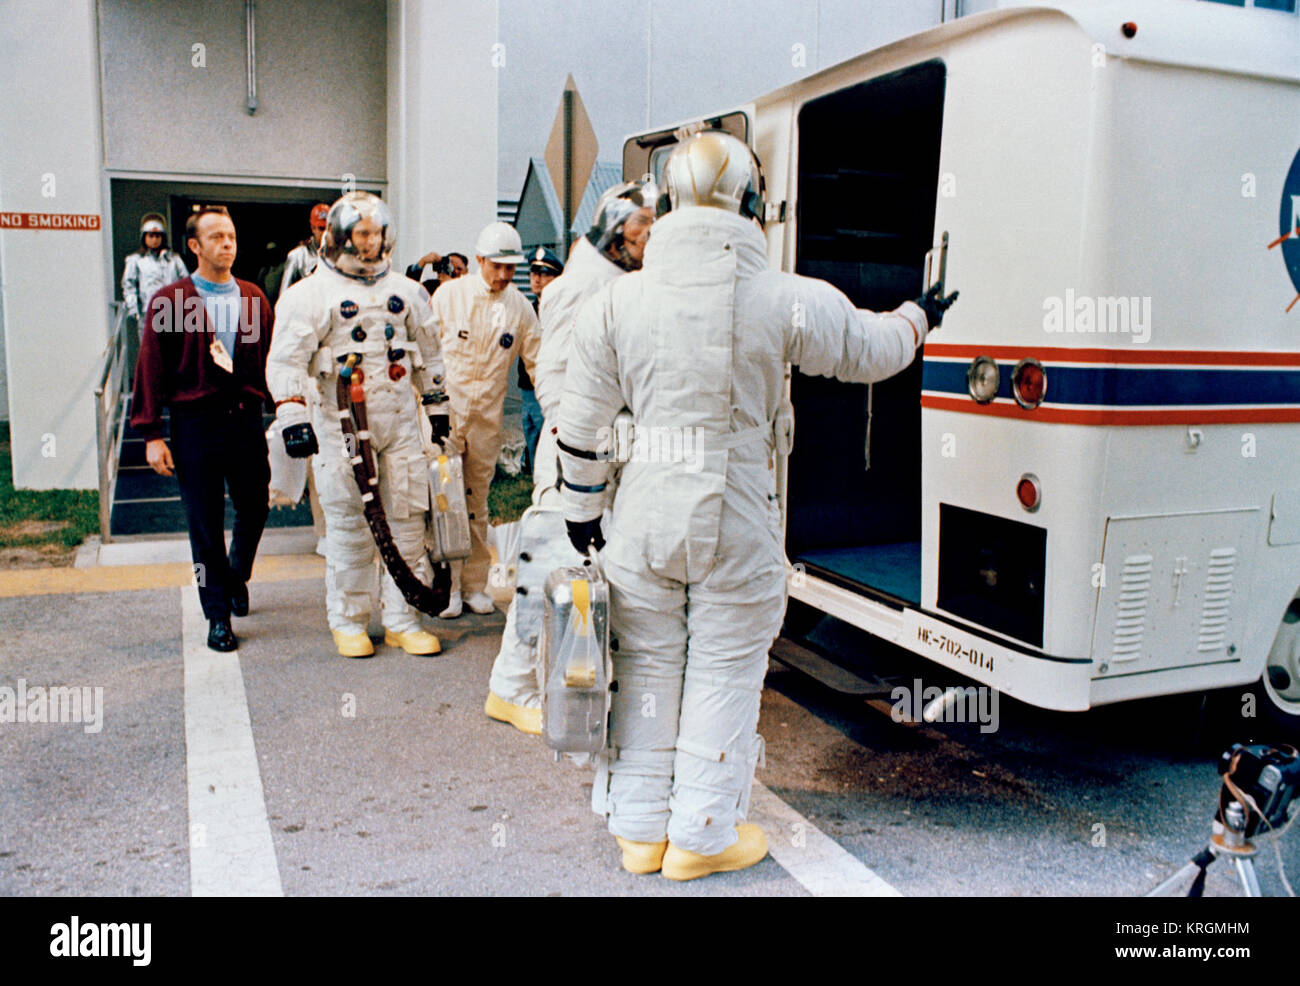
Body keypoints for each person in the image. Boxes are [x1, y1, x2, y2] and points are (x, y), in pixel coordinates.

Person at [555, 131, 958, 879]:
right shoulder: (782, 296)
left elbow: (577, 427)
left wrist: (582, 512)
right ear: (751, 203)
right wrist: (920, 315)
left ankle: (640, 834)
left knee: (643, 667)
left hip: (644, 509)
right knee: (724, 671)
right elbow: (870, 350)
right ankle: (702, 838)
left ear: (668, 201)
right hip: (738, 510)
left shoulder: (619, 302)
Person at [483, 182, 656, 735]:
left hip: (600, 454)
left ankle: (562, 679)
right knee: (546, 568)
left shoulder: (619, 284)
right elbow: (557, 380)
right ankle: (510, 687)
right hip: (574, 454)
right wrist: (583, 444)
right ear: (616, 229)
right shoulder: (581, 288)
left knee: (585, 572)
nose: (651, 238)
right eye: (643, 227)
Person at [266, 192, 449, 659]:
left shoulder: (408, 293)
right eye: (362, 233)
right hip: (339, 426)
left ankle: (403, 617)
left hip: (399, 425)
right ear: (340, 236)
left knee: (407, 522)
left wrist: (438, 407)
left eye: (377, 233)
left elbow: (430, 355)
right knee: (349, 527)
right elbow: (286, 359)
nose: (371, 242)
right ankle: (348, 619)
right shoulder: (311, 294)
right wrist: (292, 414)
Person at [130, 206, 275, 652]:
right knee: (204, 523)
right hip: (196, 423)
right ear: (194, 246)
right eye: (215, 237)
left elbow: (274, 360)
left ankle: (235, 574)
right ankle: (217, 613)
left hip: (245, 419)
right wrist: (151, 433)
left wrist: (290, 410)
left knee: (256, 505)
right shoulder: (173, 301)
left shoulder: (253, 298)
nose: (226, 244)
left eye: (230, 236)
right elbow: (150, 369)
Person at [429, 222, 540, 619]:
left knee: (476, 504)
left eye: (511, 268)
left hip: (485, 422)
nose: (504, 276)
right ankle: (445, 585)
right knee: (443, 502)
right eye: (496, 266)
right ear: (478, 261)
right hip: (445, 418)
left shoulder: (520, 309)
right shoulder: (449, 296)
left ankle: (474, 584)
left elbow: (539, 362)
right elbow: (424, 354)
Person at [121, 212, 188, 369]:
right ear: (144, 237)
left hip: (172, 312)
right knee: (150, 352)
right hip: (148, 312)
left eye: (158, 235)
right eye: (150, 235)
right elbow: (128, 285)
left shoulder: (174, 259)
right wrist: (134, 309)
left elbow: (186, 283)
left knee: (173, 352)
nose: (154, 239)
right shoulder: (136, 261)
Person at [519, 246, 564, 474]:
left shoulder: (560, 309)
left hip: (550, 384)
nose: (537, 279)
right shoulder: (526, 308)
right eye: (534, 273)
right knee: (532, 435)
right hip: (527, 385)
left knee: (550, 439)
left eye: (545, 274)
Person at [277, 203, 329, 299]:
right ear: (313, 228)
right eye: (321, 229)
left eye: (328, 229)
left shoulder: (339, 257)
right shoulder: (297, 255)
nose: (325, 233)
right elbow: (284, 294)